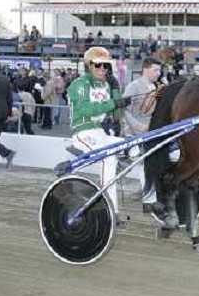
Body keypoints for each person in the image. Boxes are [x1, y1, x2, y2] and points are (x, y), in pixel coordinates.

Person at [67, 47, 132, 223]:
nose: (103, 68)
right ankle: (109, 209)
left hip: (101, 133)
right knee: (107, 158)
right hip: (83, 133)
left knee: (135, 147)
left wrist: (116, 92)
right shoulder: (79, 84)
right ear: (89, 65)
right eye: (99, 65)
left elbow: (115, 115)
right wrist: (113, 103)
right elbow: (86, 109)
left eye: (106, 65)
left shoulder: (104, 84)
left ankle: (151, 199)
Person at [122, 57, 167, 224]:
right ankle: (149, 200)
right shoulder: (133, 87)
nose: (158, 73)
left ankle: (152, 198)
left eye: (159, 71)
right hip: (135, 134)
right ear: (146, 69)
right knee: (146, 163)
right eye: (155, 70)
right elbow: (124, 110)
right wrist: (137, 128)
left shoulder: (156, 87)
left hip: (150, 133)